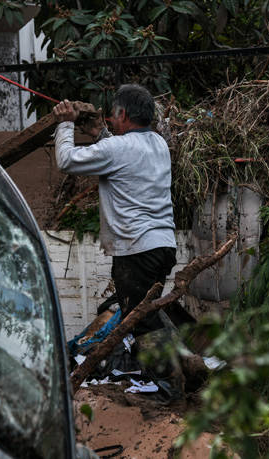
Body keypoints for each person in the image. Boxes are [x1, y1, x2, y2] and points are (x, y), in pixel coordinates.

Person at [53, 84, 177, 335]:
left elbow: (66, 160)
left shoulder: (118, 148)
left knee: (140, 324)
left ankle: (167, 374)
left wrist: (65, 124)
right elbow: (124, 154)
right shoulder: (158, 143)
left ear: (123, 115)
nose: (110, 116)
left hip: (137, 250)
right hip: (162, 247)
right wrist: (100, 133)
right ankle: (175, 367)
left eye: (113, 112)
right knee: (146, 318)